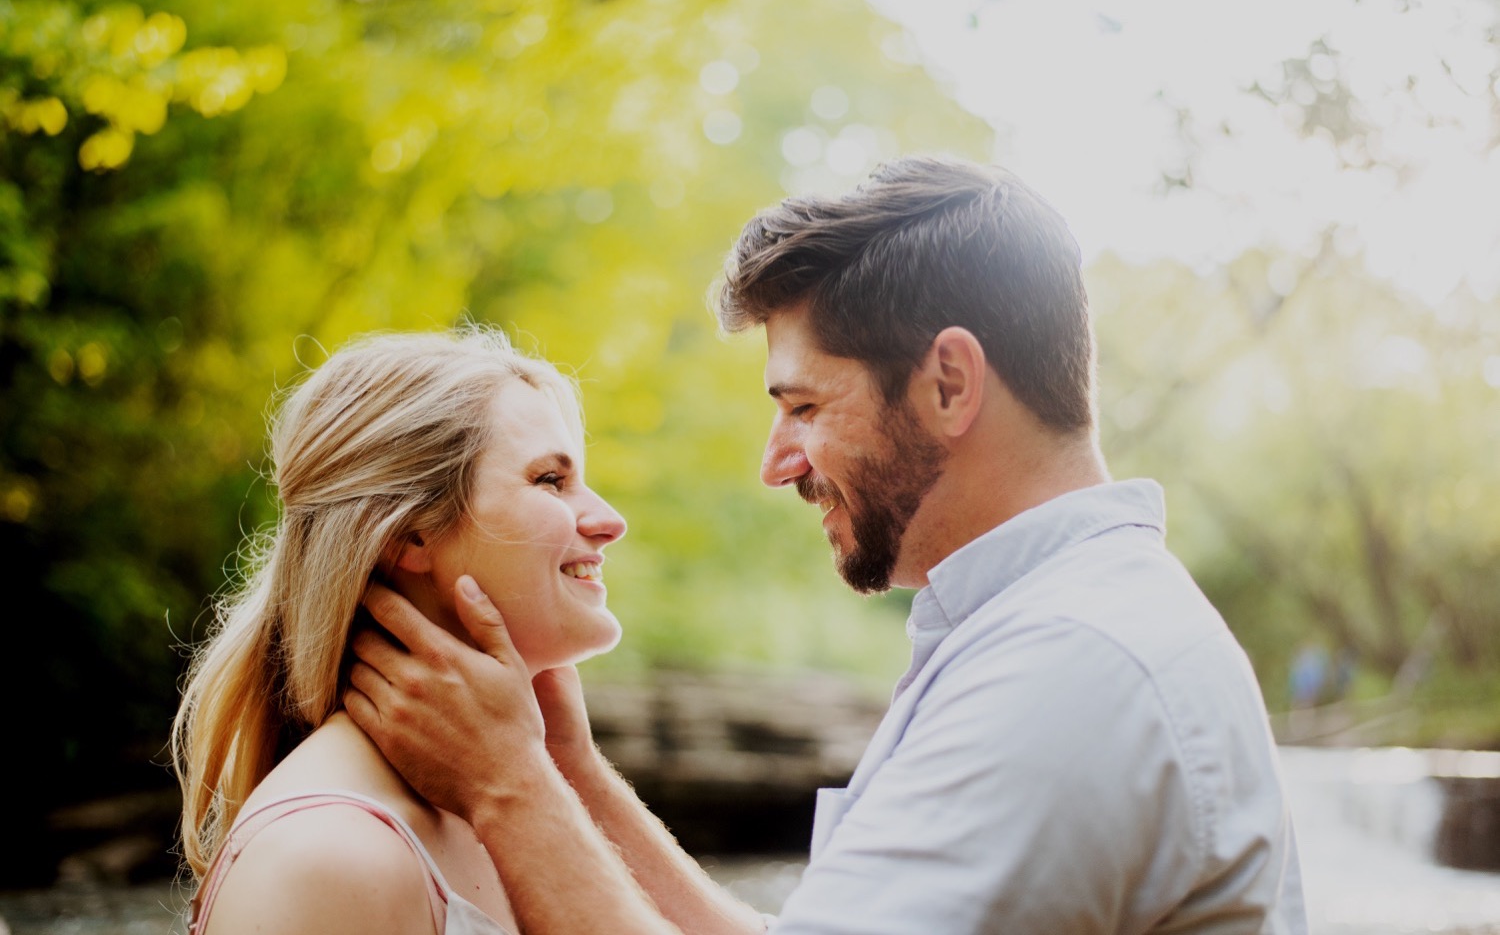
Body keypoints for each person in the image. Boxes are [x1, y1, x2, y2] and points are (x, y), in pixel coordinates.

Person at [345, 155, 1308, 934]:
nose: (777, 463)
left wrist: (510, 791)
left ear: (950, 384)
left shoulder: (1069, 669)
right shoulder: (1050, 624)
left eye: (804, 406)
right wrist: (570, 771)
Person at [170, 327, 632, 935]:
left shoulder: (516, 805)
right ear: (409, 536)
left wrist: (566, 768)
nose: (610, 521)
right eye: (551, 480)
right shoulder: (327, 861)